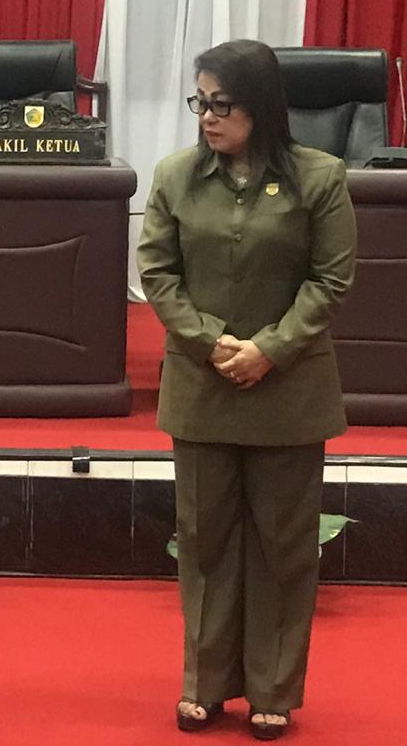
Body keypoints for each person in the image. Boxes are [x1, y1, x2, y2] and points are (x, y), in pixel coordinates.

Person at [137, 39, 356, 741]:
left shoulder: (319, 177)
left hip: (288, 389)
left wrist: (270, 349)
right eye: (199, 102)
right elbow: (157, 273)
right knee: (204, 542)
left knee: (283, 546)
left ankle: (273, 691)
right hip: (202, 386)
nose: (206, 116)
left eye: (221, 104)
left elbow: (331, 279)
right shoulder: (175, 176)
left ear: (259, 107)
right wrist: (211, 342)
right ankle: (204, 684)